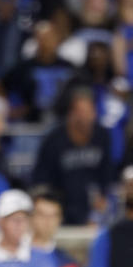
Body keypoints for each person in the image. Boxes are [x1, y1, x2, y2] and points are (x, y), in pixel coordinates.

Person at [30, 88, 114, 226]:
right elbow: (41, 181)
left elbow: (107, 174)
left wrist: (103, 198)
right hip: (61, 209)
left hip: (92, 210)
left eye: (89, 111)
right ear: (71, 113)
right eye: (80, 112)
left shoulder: (102, 136)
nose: (85, 117)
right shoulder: (54, 140)